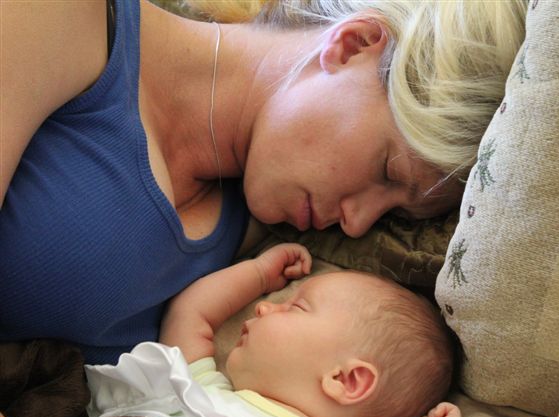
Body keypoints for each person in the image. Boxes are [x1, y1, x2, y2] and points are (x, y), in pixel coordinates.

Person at [0, 0, 527, 364]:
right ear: (353, 45)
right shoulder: (65, 19)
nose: (358, 223)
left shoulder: (258, 245)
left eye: (394, 214)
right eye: (386, 171)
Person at [85, 242, 454, 417]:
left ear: (345, 379)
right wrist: (258, 273)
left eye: (295, 307)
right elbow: (190, 313)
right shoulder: (205, 390)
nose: (263, 307)